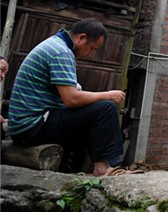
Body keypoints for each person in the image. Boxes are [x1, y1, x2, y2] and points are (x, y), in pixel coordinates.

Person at [7, 18, 136, 176]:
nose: (90, 53)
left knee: (90, 113)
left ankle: (87, 167)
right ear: (81, 38)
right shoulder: (61, 52)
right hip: (31, 127)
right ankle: (104, 168)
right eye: (92, 48)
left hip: (27, 126)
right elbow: (72, 99)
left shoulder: (55, 45)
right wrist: (107, 95)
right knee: (105, 108)